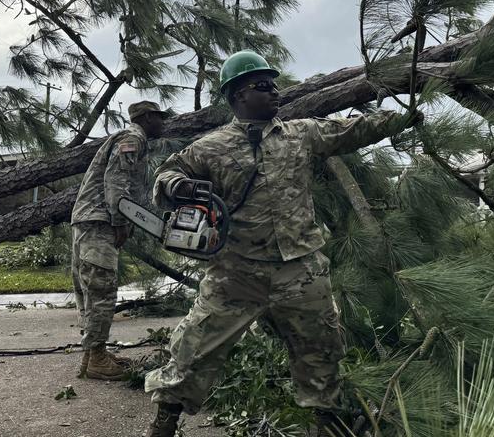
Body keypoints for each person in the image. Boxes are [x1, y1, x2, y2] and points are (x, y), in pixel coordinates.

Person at [143, 50, 421, 436]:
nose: (275, 92)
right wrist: (177, 185)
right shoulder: (210, 147)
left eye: (274, 85)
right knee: (193, 349)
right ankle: (164, 423)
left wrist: (402, 116)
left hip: (301, 270)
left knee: (322, 350)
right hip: (235, 273)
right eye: (263, 86)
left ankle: (328, 425)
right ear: (238, 95)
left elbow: (352, 130)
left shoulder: (302, 133)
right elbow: (166, 175)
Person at [70, 100, 167, 380]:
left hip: (90, 219)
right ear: (147, 118)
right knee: (101, 289)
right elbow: (116, 181)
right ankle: (97, 357)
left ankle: (91, 357)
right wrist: (120, 220)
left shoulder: (130, 139)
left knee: (90, 290)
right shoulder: (132, 139)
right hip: (100, 220)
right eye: (159, 117)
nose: (163, 122)